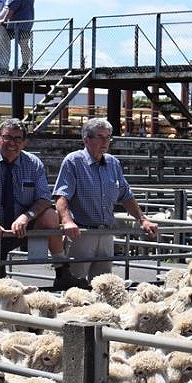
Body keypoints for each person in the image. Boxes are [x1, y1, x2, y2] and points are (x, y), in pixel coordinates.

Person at [0, 119, 77, 288]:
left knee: (50, 216)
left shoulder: (33, 163)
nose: (12, 143)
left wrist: (26, 217)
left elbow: (44, 198)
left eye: (18, 139)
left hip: (18, 227)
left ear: (25, 142)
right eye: (7, 137)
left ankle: (62, 269)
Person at [53, 118, 158, 284]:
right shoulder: (73, 161)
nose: (106, 141)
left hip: (107, 232)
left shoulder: (113, 163)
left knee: (104, 285)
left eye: (108, 137)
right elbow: (61, 195)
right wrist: (67, 221)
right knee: (75, 283)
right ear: (86, 139)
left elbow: (126, 195)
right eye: (100, 137)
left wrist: (143, 219)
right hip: (82, 233)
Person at [2, 0, 34, 71]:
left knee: (4, 41)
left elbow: (12, 9)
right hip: (27, 24)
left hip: (17, 25)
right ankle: (25, 64)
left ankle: (4, 65)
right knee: (24, 44)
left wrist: (4, 20)